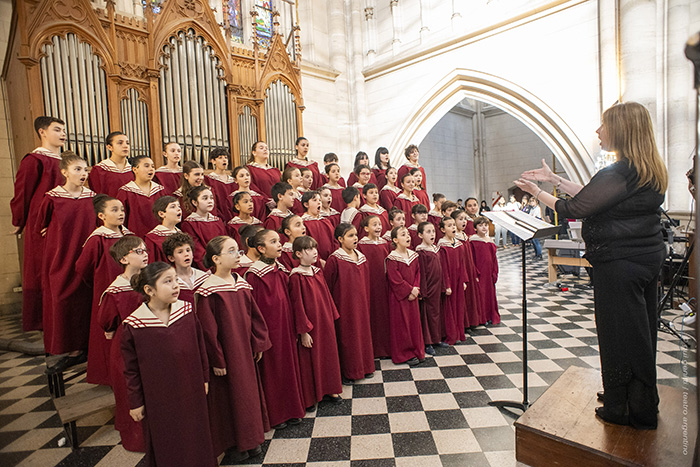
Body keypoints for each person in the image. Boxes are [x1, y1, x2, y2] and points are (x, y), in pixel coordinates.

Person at [515, 101, 668, 430]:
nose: (598, 131)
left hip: (620, 263)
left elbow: (576, 206)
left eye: (604, 125)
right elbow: (596, 195)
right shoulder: (645, 169)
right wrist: (555, 177)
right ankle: (636, 398)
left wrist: (536, 191)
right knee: (641, 333)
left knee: (617, 334)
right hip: (645, 259)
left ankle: (623, 408)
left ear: (622, 130)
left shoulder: (620, 171)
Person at [121, 262, 215, 467]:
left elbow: (200, 347)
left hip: (191, 387)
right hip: (159, 397)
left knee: (196, 434)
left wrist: (205, 377)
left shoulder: (187, 310)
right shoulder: (135, 325)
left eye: (175, 280)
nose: (176, 285)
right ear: (149, 290)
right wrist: (136, 401)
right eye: (167, 281)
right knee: (168, 440)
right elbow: (131, 370)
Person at [196, 236, 270, 461]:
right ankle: (236, 446)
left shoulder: (241, 283)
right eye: (231, 251)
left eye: (238, 250)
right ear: (216, 259)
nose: (238, 254)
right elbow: (207, 331)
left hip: (245, 351)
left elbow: (254, 316)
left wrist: (258, 342)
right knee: (230, 399)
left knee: (248, 395)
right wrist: (217, 359)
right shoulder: (209, 291)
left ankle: (253, 440)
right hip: (227, 356)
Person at [37, 153, 96, 364]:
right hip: (61, 256)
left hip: (85, 254)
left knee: (87, 298)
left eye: (85, 169)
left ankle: (89, 346)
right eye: (78, 169)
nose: (83, 174)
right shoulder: (52, 197)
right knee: (63, 299)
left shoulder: (92, 196)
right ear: (64, 172)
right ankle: (68, 347)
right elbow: (41, 226)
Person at [245, 229, 306, 429]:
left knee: (288, 366)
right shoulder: (254, 275)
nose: (279, 244)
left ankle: (293, 409)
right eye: (273, 242)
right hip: (269, 330)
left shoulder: (280, 268)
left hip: (285, 326)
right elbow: (253, 309)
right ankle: (277, 414)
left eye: (279, 241)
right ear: (261, 248)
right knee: (273, 370)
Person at [11, 116, 66, 331]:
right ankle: (44, 322)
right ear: (42, 132)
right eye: (57, 129)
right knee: (43, 269)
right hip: (41, 223)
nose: (63, 134)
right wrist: (19, 220)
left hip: (62, 221)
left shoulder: (66, 163)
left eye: (63, 130)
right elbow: (22, 191)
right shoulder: (34, 160)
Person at [74, 195, 134, 383]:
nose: (120, 214)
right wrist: (99, 283)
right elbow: (82, 267)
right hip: (107, 289)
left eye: (122, 210)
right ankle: (110, 375)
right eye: (114, 210)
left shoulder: (128, 236)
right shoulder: (98, 239)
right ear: (101, 215)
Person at [97, 235, 147, 452]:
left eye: (145, 250)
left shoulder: (150, 280)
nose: (145, 253)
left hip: (151, 344)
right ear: (124, 259)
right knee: (131, 392)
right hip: (127, 347)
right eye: (138, 251)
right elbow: (107, 321)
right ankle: (137, 439)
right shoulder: (116, 290)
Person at [288, 236, 343, 408]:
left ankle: (330, 388)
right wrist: (303, 331)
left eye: (315, 248)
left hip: (324, 320)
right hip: (311, 325)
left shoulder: (317, 271)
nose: (314, 252)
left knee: (328, 355)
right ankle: (312, 395)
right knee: (311, 358)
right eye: (309, 250)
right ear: (298, 254)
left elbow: (326, 295)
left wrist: (332, 315)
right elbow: (297, 304)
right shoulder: (296, 276)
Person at [324, 223, 376, 382]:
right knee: (348, 337)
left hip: (361, 304)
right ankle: (350, 371)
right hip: (344, 306)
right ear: (340, 239)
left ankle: (366, 367)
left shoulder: (361, 257)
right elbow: (329, 284)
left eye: (355, 235)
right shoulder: (335, 259)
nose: (355, 238)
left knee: (363, 333)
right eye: (350, 236)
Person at [386, 226, 425, 366]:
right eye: (403, 235)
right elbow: (395, 279)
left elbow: (417, 273)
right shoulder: (392, 258)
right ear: (395, 240)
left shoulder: (413, 255)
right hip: (399, 298)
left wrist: (415, 289)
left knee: (414, 324)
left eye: (408, 234)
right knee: (402, 325)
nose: (408, 237)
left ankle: (417, 350)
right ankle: (403, 354)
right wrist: (408, 291)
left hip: (413, 295)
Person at [357, 215, 392, 359]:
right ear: (366, 229)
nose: (378, 227)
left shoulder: (385, 243)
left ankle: (385, 348)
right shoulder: (361, 245)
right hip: (369, 285)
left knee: (383, 315)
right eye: (374, 224)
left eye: (379, 224)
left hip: (383, 284)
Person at [117, 155, 166, 237]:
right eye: (146, 166)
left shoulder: (160, 190)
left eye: (152, 166)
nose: (151, 169)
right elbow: (120, 218)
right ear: (135, 169)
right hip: (135, 238)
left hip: (159, 237)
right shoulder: (126, 192)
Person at [415, 221, 445, 355]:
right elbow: (421, 272)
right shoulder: (421, 251)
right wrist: (423, 291)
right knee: (427, 315)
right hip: (428, 288)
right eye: (428, 232)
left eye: (433, 231)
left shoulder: (435, 248)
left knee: (436, 314)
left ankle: (436, 338)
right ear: (420, 235)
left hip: (437, 286)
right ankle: (428, 342)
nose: (432, 234)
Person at [180, 186, 226, 268]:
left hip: (221, 263)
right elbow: (197, 251)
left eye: (211, 198)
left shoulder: (218, 221)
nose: (210, 201)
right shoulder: (189, 223)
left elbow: (224, 243)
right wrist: (210, 268)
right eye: (205, 198)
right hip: (205, 266)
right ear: (195, 202)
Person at [437, 216, 467, 345]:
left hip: (458, 280)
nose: (453, 227)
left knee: (459, 307)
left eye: (454, 225)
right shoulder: (442, 246)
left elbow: (462, 263)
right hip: (449, 281)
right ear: (443, 229)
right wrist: (446, 285)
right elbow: (442, 268)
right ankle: (451, 334)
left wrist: (464, 280)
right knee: (449, 308)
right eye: (449, 226)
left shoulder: (459, 244)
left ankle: (459, 332)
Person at [452, 209, 483, 327]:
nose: (464, 222)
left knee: (471, 296)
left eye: (465, 219)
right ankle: (463, 323)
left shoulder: (465, 236)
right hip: (461, 270)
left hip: (469, 269)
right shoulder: (454, 238)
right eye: (460, 219)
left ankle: (471, 321)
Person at [162, 232, 209, 305]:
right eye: (180, 252)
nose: (186, 254)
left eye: (188, 250)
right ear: (171, 258)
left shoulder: (205, 278)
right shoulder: (170, 283)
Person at [470, 217, 500, 325]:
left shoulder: (490, 241)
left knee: (490, 294)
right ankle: (482, 317)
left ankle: (490, 315)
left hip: (489, 272)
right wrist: (475, 273)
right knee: (481, 294)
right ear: (475, 228)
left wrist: (494, 272)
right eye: (480, 225)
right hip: (480, 272)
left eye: (486, 225)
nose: (484, 227)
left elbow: (494, 259)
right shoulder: (473, 241)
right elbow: (472, 259)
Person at [87, 131, 134, 197]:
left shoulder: (134, 170)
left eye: (127, 143)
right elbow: (98, 197)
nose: (125, 146)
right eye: (120, 143)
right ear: (109, 147)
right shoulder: (100, 170)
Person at [300, 191, 335, 263]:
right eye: (315, 200)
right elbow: (305, 244)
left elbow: (334, 240)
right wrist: (318, 260)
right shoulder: (303, 223)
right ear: (306, 204)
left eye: (320, 200)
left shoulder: (326, 221)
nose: (319, 203)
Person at [145, 196, 182, 264]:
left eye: (179, 206)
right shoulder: (153, 238)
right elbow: (152, 264)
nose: (179, 209)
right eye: (173, 207)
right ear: (162, 214)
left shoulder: (181, 234)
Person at [205, 147, 237, 222]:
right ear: (213, 161)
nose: (224, 160)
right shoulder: (209, 179)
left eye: (226, 157)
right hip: (219, 216)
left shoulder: (233, 181)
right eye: (220, 158)